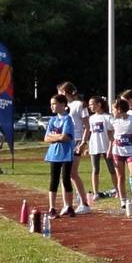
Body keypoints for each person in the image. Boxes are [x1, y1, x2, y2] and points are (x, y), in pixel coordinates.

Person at [57, 82, 93, 210]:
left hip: (76, 140)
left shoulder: (79, 105)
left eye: (60, 92)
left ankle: (84, 203)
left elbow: (87, 126)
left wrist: (83, 142)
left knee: (72, 173)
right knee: (64, 174)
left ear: (66, 92)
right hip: (64, 141)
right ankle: (67, 204)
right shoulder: (62, 107)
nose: (58, 95)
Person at [42, 95, 78, 217]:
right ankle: (52, 208)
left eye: (54, 103)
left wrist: (55, 137)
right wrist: (57, 137)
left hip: (66, 154)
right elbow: (46, 138)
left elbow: (65, 137)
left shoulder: (67, 119)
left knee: (66, 179)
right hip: (54, 154)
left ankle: (69, 206)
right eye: (51, 104)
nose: (52, 106)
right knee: (54, 180)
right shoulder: (52, 120)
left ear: (63, 104)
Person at [86, 96, 117, 201]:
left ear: (99, 104)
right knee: (95, 170)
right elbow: (91, 133)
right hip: (94, 147)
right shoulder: (91, 118)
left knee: (112, 170)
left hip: (106, 147)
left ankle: (117, 190)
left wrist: (110, 148)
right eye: (89, 105)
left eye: (92, 104)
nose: (90, 107)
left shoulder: (107, 117)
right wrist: (87, 145)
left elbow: (112, 133)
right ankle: (96, 193)